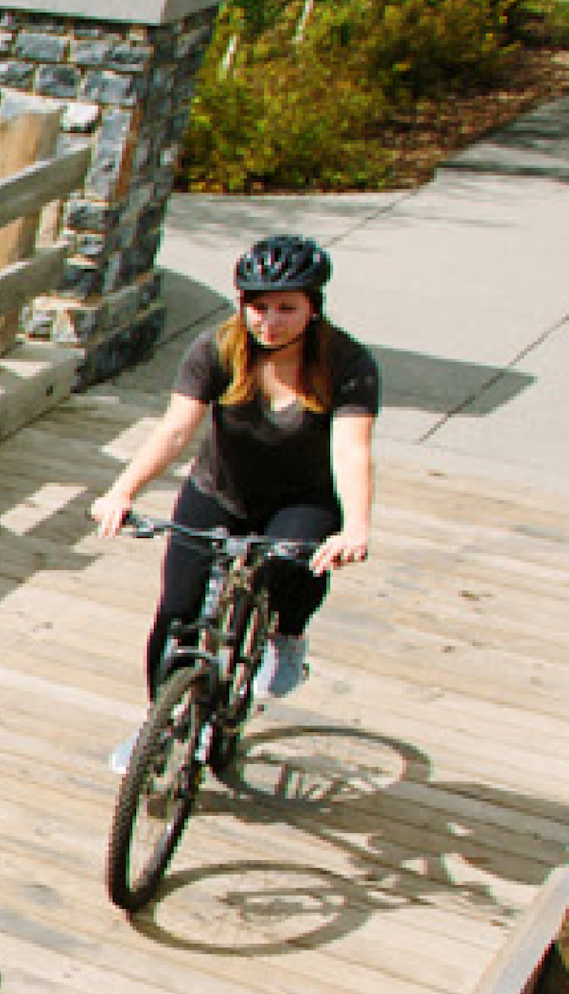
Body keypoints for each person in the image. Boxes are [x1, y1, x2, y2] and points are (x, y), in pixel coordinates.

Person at [88, 232, 379, 767]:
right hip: (221, 490)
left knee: (298, 564)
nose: (271, 320)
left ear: (314, 307)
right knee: (176, 612)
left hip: (302, 497)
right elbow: (175, 431)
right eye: (258, 307)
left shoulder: (348, 364)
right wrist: (120, 493)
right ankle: (160, 728)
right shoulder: (217, 349)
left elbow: (351, 449)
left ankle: (287, 636)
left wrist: (356, 525)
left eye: (287, 308)